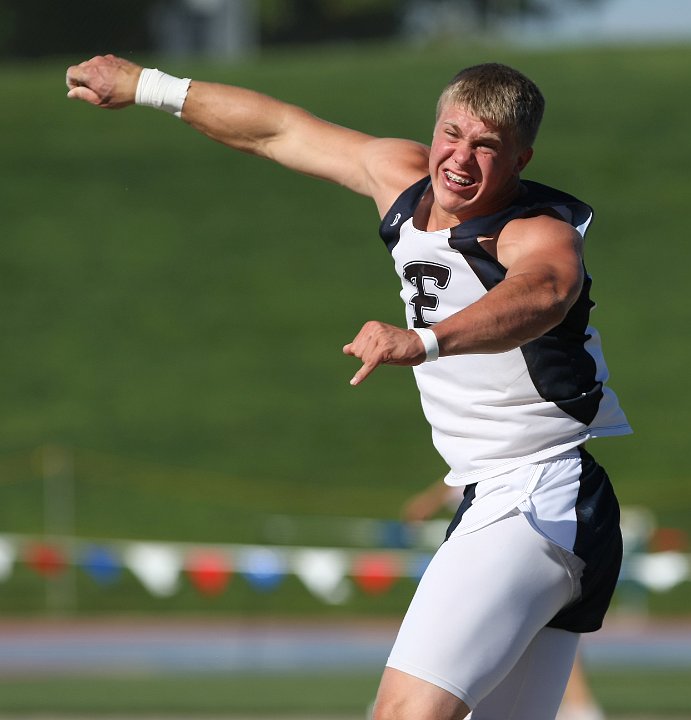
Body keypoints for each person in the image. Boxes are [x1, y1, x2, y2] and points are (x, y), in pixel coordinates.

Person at [65, 55, 632, 720]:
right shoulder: (398, 174)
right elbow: (276, 129)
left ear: (521, 158)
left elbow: (543, 292)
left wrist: (422, 340)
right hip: (534, 502)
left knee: (399, 713)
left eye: (487, 147)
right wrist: (145, 86)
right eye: (452, 134)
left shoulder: (536, 229)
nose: (460, 159)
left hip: (534, 495)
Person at [402, 479, 606, 720]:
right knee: (539, 640)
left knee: (504, 639)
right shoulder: (479, 473)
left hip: (513, 559)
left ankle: (581, 706)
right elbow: (421, 506)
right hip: (527, 555)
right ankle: (581, 706)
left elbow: (419, 509)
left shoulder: (504, 472)